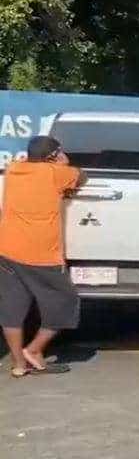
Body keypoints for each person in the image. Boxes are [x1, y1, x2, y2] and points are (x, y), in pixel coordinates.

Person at [0, 135, 86, 377]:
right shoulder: (55, 173)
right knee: (66, 302)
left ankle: (18, 364)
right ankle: (35, 350)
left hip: (7, 250)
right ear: (54, 155)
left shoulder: (14, 169)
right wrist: (63, 162)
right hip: (41, 255)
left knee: (12, 308)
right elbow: (82, 176)